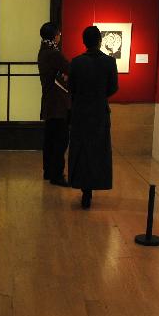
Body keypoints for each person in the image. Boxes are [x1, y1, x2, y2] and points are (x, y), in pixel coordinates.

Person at [68, 25, 118, 209]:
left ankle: (84, 189)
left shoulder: (76, 62)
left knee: (81, 151)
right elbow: (113, 88)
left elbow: (71, 87)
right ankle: (93, 186)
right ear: (100, 41)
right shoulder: (109, 62)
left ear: (84, 42)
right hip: (99, 113)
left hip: (80, 112)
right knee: (98, 151)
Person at [37, 22, 70, 186]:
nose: (60, 36)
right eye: (59, 33)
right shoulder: (54, 53)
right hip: (58, 104)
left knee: (50, 139)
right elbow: (69, 68)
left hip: (49, 101)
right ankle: (57, 175)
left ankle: (49, 171)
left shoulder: (43, 51)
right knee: (60, 140)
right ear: (54, 35)